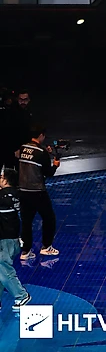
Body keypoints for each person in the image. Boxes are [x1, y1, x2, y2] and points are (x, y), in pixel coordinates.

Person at [18, 125, 60, 260]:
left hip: (23, 190)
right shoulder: (41, 152)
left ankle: (25, 251)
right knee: (49, 218)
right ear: (41, 135)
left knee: (26, 222)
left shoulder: (23, 147)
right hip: (38, 191)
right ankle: (46, 247)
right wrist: (55, 165)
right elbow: (48, 173)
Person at [0, 166, 32, 311]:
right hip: (14, 239)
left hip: (4, 240)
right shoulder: (18, 195)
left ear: (5, 180)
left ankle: (21, 295)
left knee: (4, 268)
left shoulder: (3, 197)